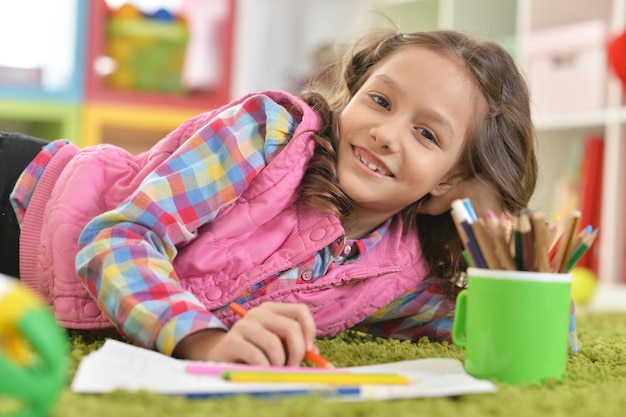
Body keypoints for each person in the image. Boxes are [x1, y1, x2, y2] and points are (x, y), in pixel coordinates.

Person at [0, 29, 537, 367]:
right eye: (379, 100)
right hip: (26, 199)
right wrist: (204, 342)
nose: (386, 133)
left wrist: (528, 294)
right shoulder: (267, 133)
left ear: (447, 183)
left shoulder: (400, 270)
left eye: (427, 135)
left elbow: (456, 319)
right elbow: (118, 238)